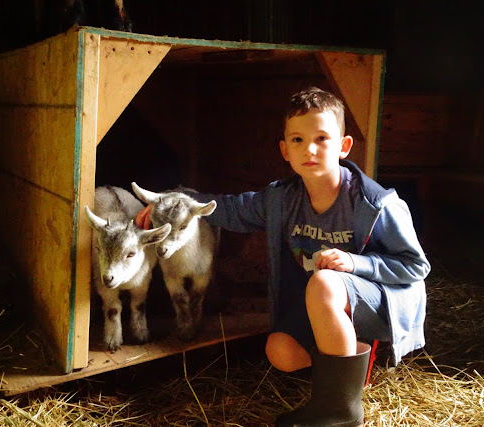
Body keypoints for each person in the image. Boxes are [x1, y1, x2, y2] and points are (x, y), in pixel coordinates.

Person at [138, 87, 430, 426]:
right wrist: (173, 200)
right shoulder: (281, 200)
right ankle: (352, 358)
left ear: (344, 145)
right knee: (281, 353)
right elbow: (229, 209)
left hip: (378, 301)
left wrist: (356, 263)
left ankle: (340, 412)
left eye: (322, 138)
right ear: (285, 150)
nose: (309, 149)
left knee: (325, 281)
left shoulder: (375, 203)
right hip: (325, 304)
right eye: (298, 140)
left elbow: (415, 265)